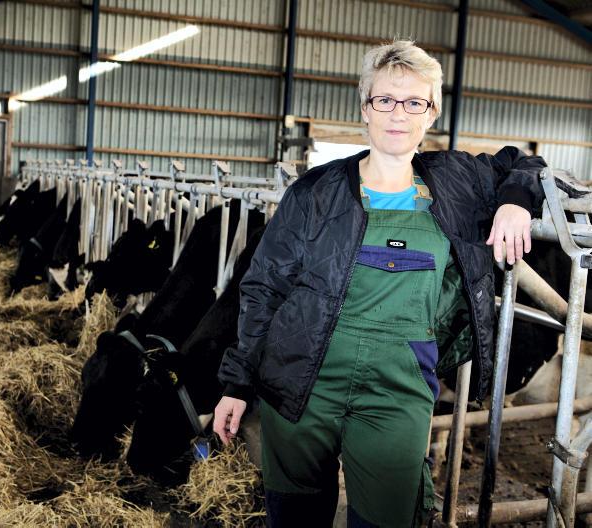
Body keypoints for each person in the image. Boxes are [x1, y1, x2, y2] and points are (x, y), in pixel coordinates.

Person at [213, 40, 546, 527]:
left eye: (414, 102)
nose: (398, 114)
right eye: (384, 99)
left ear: (430, 113)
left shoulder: (457, 181)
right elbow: (265, 286)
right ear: (364, 108)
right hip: (303, 380)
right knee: (294, 516)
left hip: (399, 387)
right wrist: (236, 384)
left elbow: (526, 163)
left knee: (389, 516)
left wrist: (515, 200)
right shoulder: (316, 191)